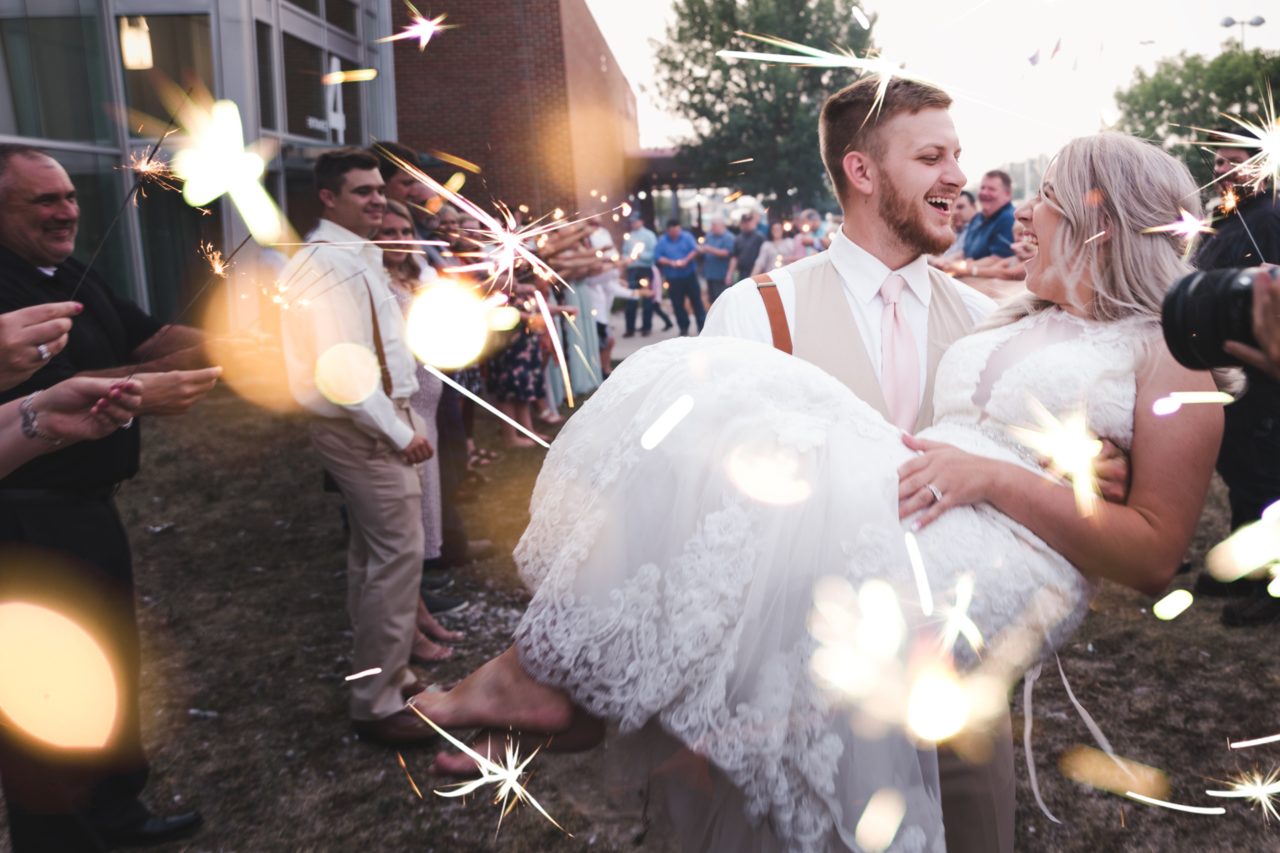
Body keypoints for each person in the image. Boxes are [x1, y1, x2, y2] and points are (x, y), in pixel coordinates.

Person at [409, 97, 1213, 852]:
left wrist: (1019, 476)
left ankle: (553, 684)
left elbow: (1147, 547)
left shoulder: (1100, 332)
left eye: (1038, 194)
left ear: (1098, 220)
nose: (981, 190)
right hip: (864, 572)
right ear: (863, 171)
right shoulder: (788, 305)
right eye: (933, 156)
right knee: (700, 390)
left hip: (953, 618)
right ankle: (564, 681)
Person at [0, 144, 220, 851]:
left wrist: (226, 341)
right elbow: (65, 388)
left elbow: (147, 336)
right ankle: (60, 835)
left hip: (90, 508)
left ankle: (118, 812)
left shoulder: (72, 272)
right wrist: (138, 383)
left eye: (68, 196)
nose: (66, 210)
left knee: (110, 660)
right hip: (26, 517)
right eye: (44, 201)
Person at [279, 147, 438, 745]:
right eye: (363, 192)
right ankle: (377, 702)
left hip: (371, 422)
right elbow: (340, 370)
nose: (378, 199)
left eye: (379, 189)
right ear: (329, 198)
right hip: (363, 428)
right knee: (397, 557)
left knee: (373, 558)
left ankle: (385, 674)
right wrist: (401, 432)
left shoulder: (355, 256)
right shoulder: (331, 264)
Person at [1190, 137, 1280, 626]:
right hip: (1226, 365)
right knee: (1242, 471)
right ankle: (1246, 568)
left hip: (1259, 369)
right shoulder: (1225, 218)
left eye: (1235, 161)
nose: (1223, 169)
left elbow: (1264, 293)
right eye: (1219, 161)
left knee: (1267, 476)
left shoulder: (1267, 218)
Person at [377, 200, 464, 659]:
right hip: (403, 411)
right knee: (406, 523)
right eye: (386, 231)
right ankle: (411, 622)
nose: (397, 237)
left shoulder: (414, 277)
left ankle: (421, 614)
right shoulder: (376, 283)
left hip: (428, 405)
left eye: (404, 228)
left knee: (424, 511)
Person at [950, 170, 1016, 268]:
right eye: (982, 188)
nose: (984, 192)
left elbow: (998, 259)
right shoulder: (977, 218)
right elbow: (965, 252)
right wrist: (944, 261)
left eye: (991, 189)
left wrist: (958, 267)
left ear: (1007, 195)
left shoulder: (1009, 219)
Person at [620, 215, 671, 337]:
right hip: (632, 269)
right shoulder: (629, 236)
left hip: (645, 269)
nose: (633, 224)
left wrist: (639, 255)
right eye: (631, 222)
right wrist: (628, 259)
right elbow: (625, 253)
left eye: (635, 221)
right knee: (631, 298)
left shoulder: (649, 235)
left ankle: (646, 327)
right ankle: (629, 328)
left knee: (647, 299)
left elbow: (653, 254)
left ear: (641, 221)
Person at [654, 219, 705, 335]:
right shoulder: (662, 241)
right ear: (668, 231)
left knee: (696, 301)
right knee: (677, 304)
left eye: (677, 231)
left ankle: (701, 326)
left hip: (689, 275)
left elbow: (695, 250)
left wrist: (686, 260)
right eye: (673, 232)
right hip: (673, 277)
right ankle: (683, 327)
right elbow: (658, 257)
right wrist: (671, 262)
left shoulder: (686, 237)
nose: (676, 233)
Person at [698, 217, 736, 304]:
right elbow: (704, 248)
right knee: (712, 300)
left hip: (722, 275)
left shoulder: (729, 237)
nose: (712, 227)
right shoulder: (709, 236)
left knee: (722, 300)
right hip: (710, 274)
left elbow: (728, 253)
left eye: (714, 225)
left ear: (721, 225)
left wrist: (710, 249)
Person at [725, 209, 765, 285]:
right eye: (745, 222)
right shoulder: (738, 238)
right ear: (742, 223)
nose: (747, 224)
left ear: (753, 222)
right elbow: (734, 257)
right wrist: (729, 274)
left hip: (757, 273)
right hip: (741, 273)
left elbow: (763, 258)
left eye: (749, 221)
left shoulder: (760, 237)